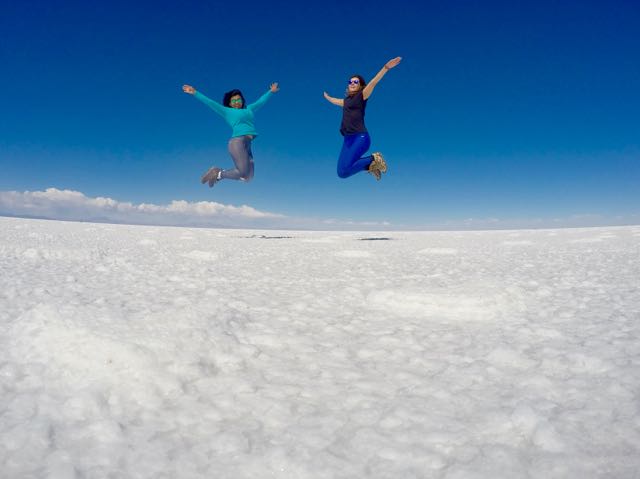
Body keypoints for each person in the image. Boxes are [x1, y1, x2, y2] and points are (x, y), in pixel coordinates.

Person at [182, 82, 279, 187]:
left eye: (238, 99)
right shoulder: (227, 111)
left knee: (248, 177)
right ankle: (217, 172)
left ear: (242, 100)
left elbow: (260, 102)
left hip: (248, 144)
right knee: (242, 172)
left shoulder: (249, 109)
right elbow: (210, 103)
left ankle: (218, 175)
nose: (237, 102)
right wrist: (195, 93)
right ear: (230, 103)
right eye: (233, 101)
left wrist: (270, 92)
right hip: (237, 142)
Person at [323, 57, 401, 181]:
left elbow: (374, 82)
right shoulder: (345, 101)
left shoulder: (362, 95)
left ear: (360, 86)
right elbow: (335, 101)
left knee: (346, 169)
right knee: (342, 172)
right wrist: (327, 97)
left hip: (360, 137)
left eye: (356, 82)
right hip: (348, 140)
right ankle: (371, 166)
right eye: (350, 82)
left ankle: (374, 159)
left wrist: (385, 68)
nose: (352, 83)